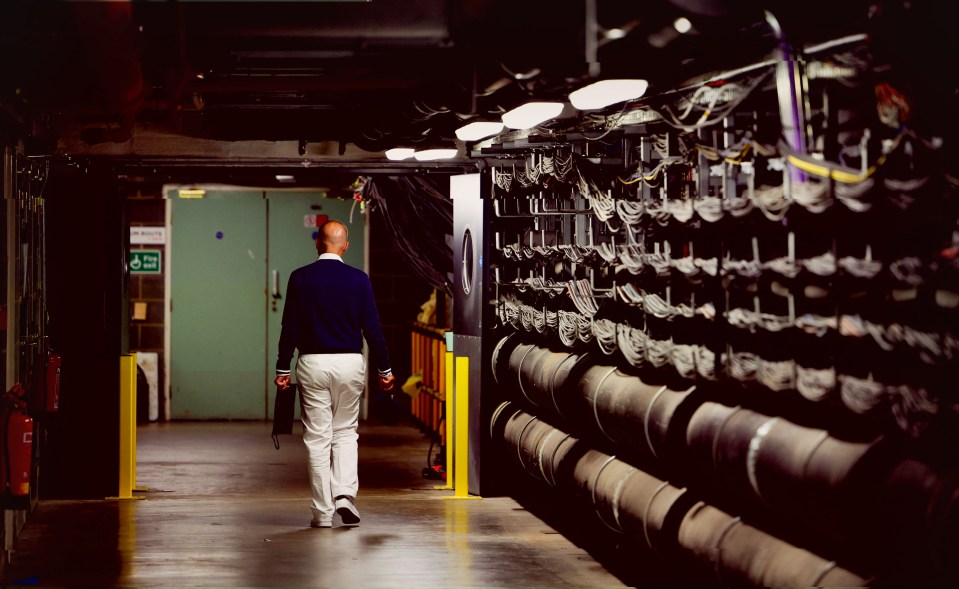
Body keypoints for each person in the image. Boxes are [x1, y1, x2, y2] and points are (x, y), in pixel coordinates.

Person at [274, 219, 395, 529]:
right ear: (345, 246)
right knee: (345, 432)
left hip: (313, 363)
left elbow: (290, 327)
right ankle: (344, 495)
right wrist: (385, 369)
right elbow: (373, 328)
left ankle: (322, 514)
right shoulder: (359, 279)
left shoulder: (300, 278)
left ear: (318, 243)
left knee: (318, 439)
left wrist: (282, 367)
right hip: (350, 363)